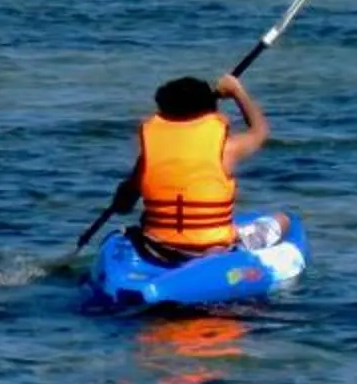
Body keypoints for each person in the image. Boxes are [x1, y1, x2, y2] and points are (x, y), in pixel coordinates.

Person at [103, 72, 269, 261]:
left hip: (157, 249)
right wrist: (237, 91)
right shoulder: (226, 149)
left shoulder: (151, 153)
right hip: (211, 250)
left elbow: (124, 206)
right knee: (285, 221)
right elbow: (260, 131)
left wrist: (124, 193)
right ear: (210, 111)